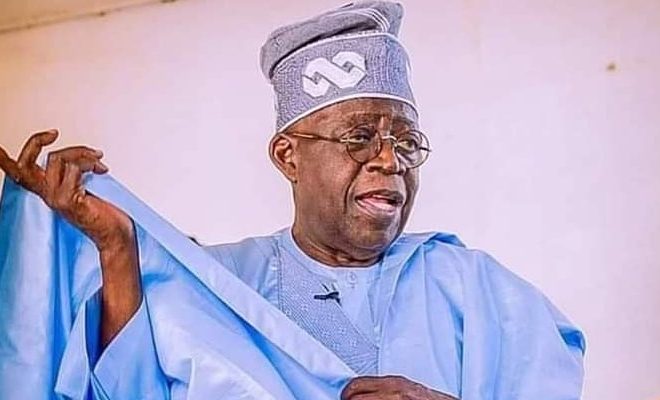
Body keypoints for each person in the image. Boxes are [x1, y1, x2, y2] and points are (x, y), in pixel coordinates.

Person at [0, 1, 585, 399]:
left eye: (406, 143)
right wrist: (116, 247)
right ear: (288, 156)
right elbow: (131, 391)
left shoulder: (480, 291)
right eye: (359, 137)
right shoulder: (219, 285)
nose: (389, 161)